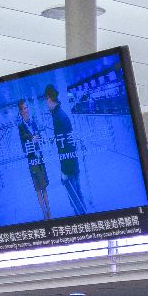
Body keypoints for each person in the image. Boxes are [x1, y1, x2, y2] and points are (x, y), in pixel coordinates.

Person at [44, 85, 88, 215]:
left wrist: (64, 171)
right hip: (73, 162)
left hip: (69, 165)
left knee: (74, 197)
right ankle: (84, 215)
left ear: (50, 99)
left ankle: (81, 219)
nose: (46, 104)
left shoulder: (58, 117)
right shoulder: (59, 114)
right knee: (78, 193)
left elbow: (64, 147)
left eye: (46, 101)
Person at [16, 99, 52, 221]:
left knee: (44, 186)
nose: (26, 110)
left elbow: (40, 138)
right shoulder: (21, 128)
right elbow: (23, 148)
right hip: (32, 160)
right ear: (20, 112)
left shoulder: (33, 123)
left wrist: (40, 139)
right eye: (24, 108)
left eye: (27, 108)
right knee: (38, 188)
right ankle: (43, 213)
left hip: (40, 158)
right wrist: (32, 141)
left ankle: (49, 212)